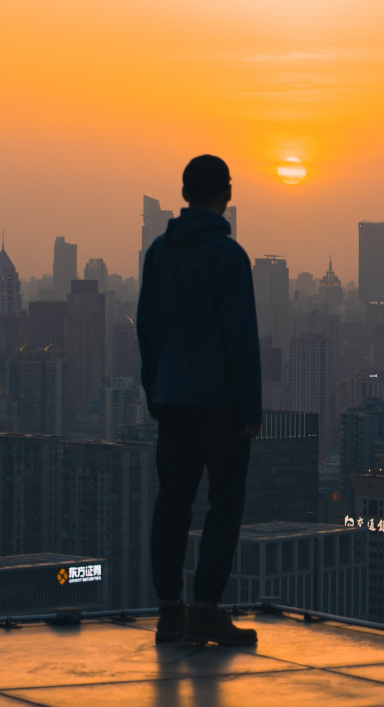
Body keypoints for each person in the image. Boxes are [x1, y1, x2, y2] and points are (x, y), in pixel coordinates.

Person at [137, 154, 262, 645]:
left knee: (173, 501)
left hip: (171, 397)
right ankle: (206, 608)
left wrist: (154, 389)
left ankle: (170, 610)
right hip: (219, 402)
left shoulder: (159, 253)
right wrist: (250, 409)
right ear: (226, 195)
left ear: (186, 193)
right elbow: (240, 338)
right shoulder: (228, 257)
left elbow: (146, 327)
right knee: (224, 502)